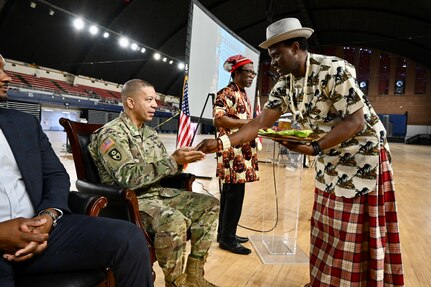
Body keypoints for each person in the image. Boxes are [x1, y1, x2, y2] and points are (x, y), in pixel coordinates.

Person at [195, 18, 404, 286]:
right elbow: (259, 123)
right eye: (270, 57)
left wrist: (315, 147)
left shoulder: (333, 69)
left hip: (362, 158)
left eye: (276, 55)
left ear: (295, 47)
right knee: (327, 228)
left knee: (352, 231)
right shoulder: (285, 84)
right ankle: (325, 280)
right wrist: (222, 143)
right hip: (330, 158)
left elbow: (356, 122)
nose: (274, 63)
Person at [0, 54, 153, 287]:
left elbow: (56, 175)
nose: (6, 76)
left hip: (42, 230)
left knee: (130, 238)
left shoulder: (23, 123)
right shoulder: (112, 134)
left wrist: (49, 215)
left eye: (5, 68)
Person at [88, 79, 219, 287]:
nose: (155, 104)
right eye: (149, 99)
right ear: (130, 103)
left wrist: (181, 160)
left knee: (210, 205)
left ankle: (194, 276)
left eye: (155, 100)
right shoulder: (111, 134)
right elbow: (127, 178)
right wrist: (172, 161)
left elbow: (161, 171)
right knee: (174, 220)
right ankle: (176, 282)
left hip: (157, 196)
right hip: (129, 204)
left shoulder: (149, 134)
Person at [214, 55, 259, 255]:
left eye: (253, 72)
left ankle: (225, 233)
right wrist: (249, 123)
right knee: (234, 196)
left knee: (230, 195)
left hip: (241, 152)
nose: (252, 75)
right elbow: (219, 120)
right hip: (233, 153)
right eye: (248, 71)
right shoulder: (227, 92)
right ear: (237, 72)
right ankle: (227, 238)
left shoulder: (241, 93)